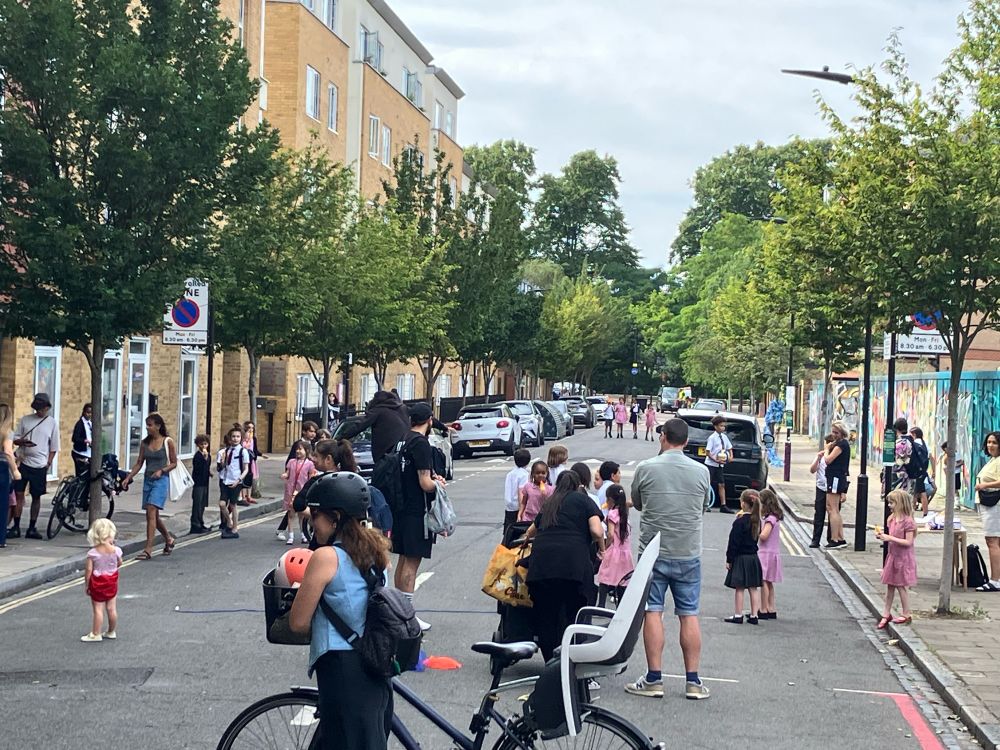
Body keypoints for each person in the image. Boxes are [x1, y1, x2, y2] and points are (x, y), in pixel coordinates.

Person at [289, 472, 393, 750]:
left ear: (335, 518)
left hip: (342, 671)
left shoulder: (326, 557)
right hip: (374, 666)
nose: (312, 523)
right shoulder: (377, 550)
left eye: (316, 516)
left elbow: (297, 623)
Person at [626, 418, 712, 701]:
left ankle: (654, 679)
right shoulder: (701, 472)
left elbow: (637, 502)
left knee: (653, 611)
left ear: (662, 437)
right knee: (689, 614)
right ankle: (693, 682)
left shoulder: (646, 468)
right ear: (686, 441)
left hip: (653, 551)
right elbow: (704, 505)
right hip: (688, 551)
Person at [522, 470, 605, 661]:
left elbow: (531, 531)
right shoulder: (583, 500)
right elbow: (597, 531)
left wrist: (526, 541)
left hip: (541, 566)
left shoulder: (550, 502)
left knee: (546, 615)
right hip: (572, 566)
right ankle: (571, 661)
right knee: (574, 613)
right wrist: (601, 549)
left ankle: (550, 663)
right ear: (578, 485)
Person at [393, 402, 445, 633]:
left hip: (400, 508)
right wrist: (439, 485)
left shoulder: (402, 441)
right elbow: (425, 483)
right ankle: (408, 617)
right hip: (417, 511)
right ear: (429, 420)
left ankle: (398, 612)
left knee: (403, 560)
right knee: (412, 564)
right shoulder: (421, 444)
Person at [122, 413, 177, 560]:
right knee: (153, 516)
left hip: (161, 480)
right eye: (147, 424)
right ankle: (169, 538)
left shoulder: (168, 441)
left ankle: (148, 549)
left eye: (150, 425)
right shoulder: (144, 443)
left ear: (158, 426)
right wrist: (128, 477)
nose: (147, 427)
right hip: (148, 480)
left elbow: (174, 463)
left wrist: (161, 470)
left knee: (151, 511)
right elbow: (139, 462)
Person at [10, 392, 60, 540]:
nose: (40, 411)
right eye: (38, 409)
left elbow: (54, 447)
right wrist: (22, 442)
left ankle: (32, 527)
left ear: (47, 407)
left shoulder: (52, 423)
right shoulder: (26, 420)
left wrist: (48, 463)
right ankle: (16, 526)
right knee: (19, 494)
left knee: (36, 497)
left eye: (42, 409)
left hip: (39, 465)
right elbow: (15, 439)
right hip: (23, 460)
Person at [876, 489, 917, 627]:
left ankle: (907, 613)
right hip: (893, 556)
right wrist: (882, 535)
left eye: (892, 503)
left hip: (903, 558)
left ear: (900, 504)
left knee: (901, 586)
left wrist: (889, 538)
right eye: (889, 502)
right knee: (890, 585)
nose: (889, 505)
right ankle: (886, 613)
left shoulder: (908, 522)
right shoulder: (892, 519)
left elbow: (908, 542)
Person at [723, 490, 763, 624]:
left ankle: (738, 614)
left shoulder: (739, 522)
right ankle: (754, 615)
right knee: (753, 588)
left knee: (739, 588)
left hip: (741, 558)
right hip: (753, 558)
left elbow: (733, 542)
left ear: (743, 504)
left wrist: (729, 559)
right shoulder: (757, 521)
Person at [80, 518, 122, 642]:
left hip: (98, 582)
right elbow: (119, 563)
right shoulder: (116, 551)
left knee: (98, 609)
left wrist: (87, 585)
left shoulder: (92, 553)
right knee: (111, 608)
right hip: (112, 581)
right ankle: (111, 631)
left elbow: (88, 571)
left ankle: (96, 633)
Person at [278, 421, 319, 538]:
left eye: (314, 432)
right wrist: (288, 474)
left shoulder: (313, 444)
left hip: (305, 481)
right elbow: (290, 461)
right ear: (304, 431)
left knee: (299, 507)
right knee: (294, 508)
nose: (313, 434)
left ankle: (307, 532)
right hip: (295, 482)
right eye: (311, 431)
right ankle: (283, 530)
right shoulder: (297, 445)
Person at [597, 484, 634, 607]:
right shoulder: (624, 512)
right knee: (622, 580)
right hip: (625, 552)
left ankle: (601, 605)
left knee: (604, 576)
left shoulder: (612, 513)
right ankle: (621, 606)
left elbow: (611, 534)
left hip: (614, 551)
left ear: (611, 500)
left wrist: (605, 548)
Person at [973, 431, 1000, 592]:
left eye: (994, 442)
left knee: (992, 541)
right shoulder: (993, 460)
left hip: (994, 506)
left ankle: (995, 580)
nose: (990, 445)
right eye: (989, 442)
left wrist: (984, 485)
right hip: (988, 505)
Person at [216, 425, 250, 540]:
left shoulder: (243, 452)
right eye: (233, 436)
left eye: (238, 436)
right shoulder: (224, 451)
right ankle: (229, 521)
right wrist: (222, 462)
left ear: (241, 438)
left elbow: (246, 469)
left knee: (233, 505)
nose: (235, 438)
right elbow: (221, 468)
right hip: (225, 480)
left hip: (236, 481)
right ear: (230, 438)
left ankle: (235, 527)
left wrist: (239, 480)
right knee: (222, 504)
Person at [281, 440, 317, 545]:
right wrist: (285, 475)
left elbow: (311, 477)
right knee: (291, 514)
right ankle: (291, 535)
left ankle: (303, 534)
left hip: (302, 492)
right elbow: (288, 473)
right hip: (290, 491)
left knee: (302, 514)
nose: (298, 451)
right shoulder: (291, 461)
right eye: (297, 449)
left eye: (300, 449)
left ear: (306, 451)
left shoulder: (310, 464)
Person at [822, 421, 851, 548]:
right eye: (832, 431)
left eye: (836, 432)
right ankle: (840, 537)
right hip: (835, 478)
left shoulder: (841, 445)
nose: (833, 434)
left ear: (842, 433)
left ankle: (834, 539)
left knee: (832, 508)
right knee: (832, 508)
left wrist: (826, 450)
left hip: (835, 478)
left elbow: (828, 460)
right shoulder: (841, 444)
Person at [757, 489, 783, 619]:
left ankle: (763, 608)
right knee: (769, 582)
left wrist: (756, 532)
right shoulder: (775, 518)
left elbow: (764, 536)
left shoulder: (769, 519)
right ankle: (771, 608)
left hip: (765, 554)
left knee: (764, 581)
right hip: (773, 553)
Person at [0, 404, 21, 549]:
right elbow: (7, 451)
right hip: (2, 468)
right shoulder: (7, 432)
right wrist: (15, 470)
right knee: (2, 506)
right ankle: (1, 539)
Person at [808, 434, 835, 548]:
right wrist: (818, 458)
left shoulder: (835, 456)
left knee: (832, 515)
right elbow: (812, 470)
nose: (826, 445)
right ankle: (816, 540)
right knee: (819, 515)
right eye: (826, 443)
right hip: (821, 488)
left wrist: (843, 492)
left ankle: (831, 539)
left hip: (833, 489)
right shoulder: (821, 456)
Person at [705, 415, 734, 514]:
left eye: (724, 426)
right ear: (715, 426)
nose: (723, 427)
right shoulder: (712, 438)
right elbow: (708, 452)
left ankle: (723, 505)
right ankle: (706, 504)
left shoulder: (724, 437)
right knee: (708, 484)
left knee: (721, 484)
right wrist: (715, 460)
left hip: (720, 465)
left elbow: (729, 448)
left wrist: (730, 456)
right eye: (721, 426)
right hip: (711, 464)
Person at [503, 449, 531, 534]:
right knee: (518, 532)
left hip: (509, 507)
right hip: (517, 507)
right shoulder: (524, 475)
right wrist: (521, 511)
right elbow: (521, 493)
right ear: (528, 461)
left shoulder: (510, 474)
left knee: (508, 531)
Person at [190, 434, 212, 534]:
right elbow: (198, 468)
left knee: (202, 504)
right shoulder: (197, 456)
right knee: (197, 504)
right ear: (198, 445)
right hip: (198, 483)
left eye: (205, 444)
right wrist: (204, 458)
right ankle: (195, 524)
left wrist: (209, 472)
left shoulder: (208, 455)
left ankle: (200, 522)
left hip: (205, 483)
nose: (204, 446)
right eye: (201, 444)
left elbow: (207, 467)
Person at [240, 420, 262, 505]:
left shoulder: (254, 439)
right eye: (249, 427)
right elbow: (243, 447)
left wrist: (261, 454)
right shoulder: (243, 438)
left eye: (252, 428)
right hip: (244, 460)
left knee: (250, 477)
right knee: (244, 478)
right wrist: (246, 439)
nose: (251, 429)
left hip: (252, 460)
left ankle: (249, 496)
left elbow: (255, 450)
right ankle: (243, 496)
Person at [71, 403, 93, 478]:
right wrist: (84, 441)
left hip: (89, 452)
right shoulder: (80, 424)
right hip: (80, 453)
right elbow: (74, 438)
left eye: (91, 413)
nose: (89, 415)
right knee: (81, 475)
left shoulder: (90, 423)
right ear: (84, 412)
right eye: (87, 412)